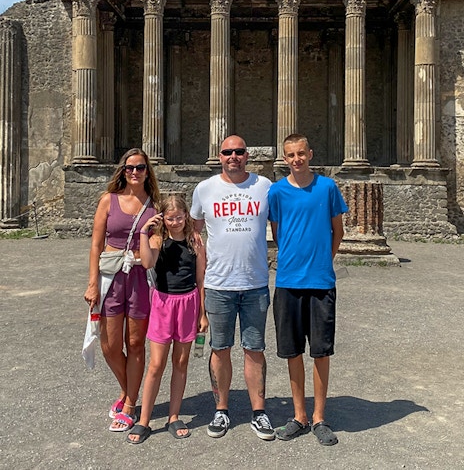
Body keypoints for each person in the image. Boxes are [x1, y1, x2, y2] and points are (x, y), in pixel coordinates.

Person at [190, 135, 275, 441]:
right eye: (228, 152)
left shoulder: (264, 186)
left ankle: (259, 412)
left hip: (254, 285)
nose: (234, 156)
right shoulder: (205, 189)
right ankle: (221, 410)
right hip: (218, 285)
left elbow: (281, 230)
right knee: (220, 348)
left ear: (247, 156)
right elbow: (194, 236)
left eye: (239, 152)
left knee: (255, 349)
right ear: (219, 156)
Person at [268, 134, 348, 445]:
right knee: (292, 352)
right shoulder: (277, 192)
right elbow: (278, 233)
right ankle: (299, 415)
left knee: (321, 352)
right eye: (291, 155)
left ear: (310, 154)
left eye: (301, 153)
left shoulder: (327, 187)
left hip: (321, 282)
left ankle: (319, 417)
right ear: (284, 158)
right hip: (288, 281)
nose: (297, 159)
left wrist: (322, 262)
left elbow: (337, 231)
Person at [84, 148, 160, 432]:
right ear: (123, 171)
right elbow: (95, 244)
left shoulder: (155, 206)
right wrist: (92, 283)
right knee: (110, 346)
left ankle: (129, 404)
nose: (135, 173)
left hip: (140, 277)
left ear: (147, 171)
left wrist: (148, 251)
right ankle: (129, 391)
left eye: (140, 168)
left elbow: (156, 243)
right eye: (130, 168)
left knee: (136, 343)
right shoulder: (109, 200)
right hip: (111, 277)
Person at [127, 195, 208, 445]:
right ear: (163, 218)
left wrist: (202, 314)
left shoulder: (195, 241)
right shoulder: (157, 239)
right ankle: (144, 421)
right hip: (163, 303)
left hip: (188, 302)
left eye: (179, 218)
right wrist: (143, 231)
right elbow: (147, 263)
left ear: (186, 216)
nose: (175, 222)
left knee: (181, 361)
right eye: (170, 218)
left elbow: (201, 277)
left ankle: (173, 416)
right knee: (156, 364)